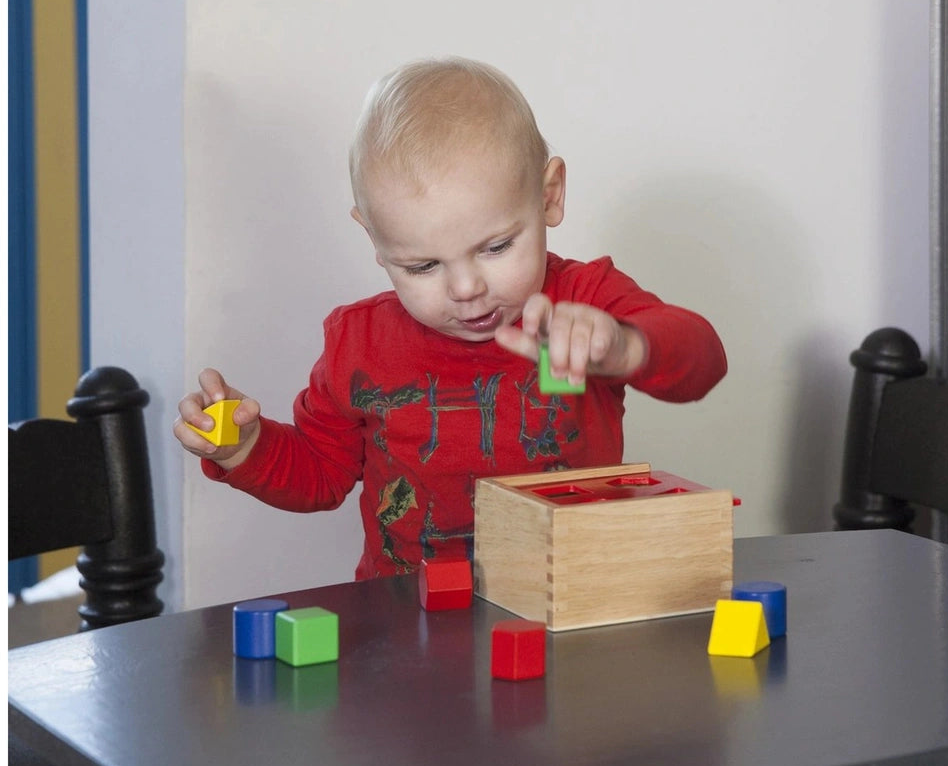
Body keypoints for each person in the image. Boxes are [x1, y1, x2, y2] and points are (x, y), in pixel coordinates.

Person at [174, 57, 727, 579]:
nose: (466, 289)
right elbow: (321, 473)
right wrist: (246, 449)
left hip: (565, 605)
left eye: (496, 247)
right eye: (423, 265)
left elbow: (703, 361)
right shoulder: (358, 344)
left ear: (549, 196)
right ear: (374, 239)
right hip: (408, 625)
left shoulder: (582, 304)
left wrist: (626, 348)